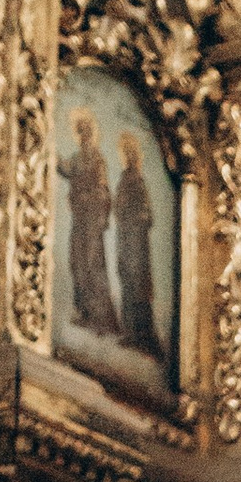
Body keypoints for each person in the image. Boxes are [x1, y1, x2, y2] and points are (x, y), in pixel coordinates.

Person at [59, 110, 115, 338]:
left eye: (86, 132)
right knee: (77, 261)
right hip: (80, 219)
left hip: (92, 219)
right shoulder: (77, 157)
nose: (83, 136)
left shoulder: (96, 158)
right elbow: (66, 169)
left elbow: (103, 190)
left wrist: (94, 205)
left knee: (92, 263)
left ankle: (100, 317)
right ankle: (84, 311)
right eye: (80, 132)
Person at [113, 128, 161, 359]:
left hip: (137, 245)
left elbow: (148, 215)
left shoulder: (138, 181)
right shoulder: (124, 179)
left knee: (138, 286)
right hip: (126, 240)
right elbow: (118, 207)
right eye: (126, 153)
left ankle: (141, 334)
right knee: (128, 283)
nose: (128, 157)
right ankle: (130, 332)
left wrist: (136, 218)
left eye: (131, 153)